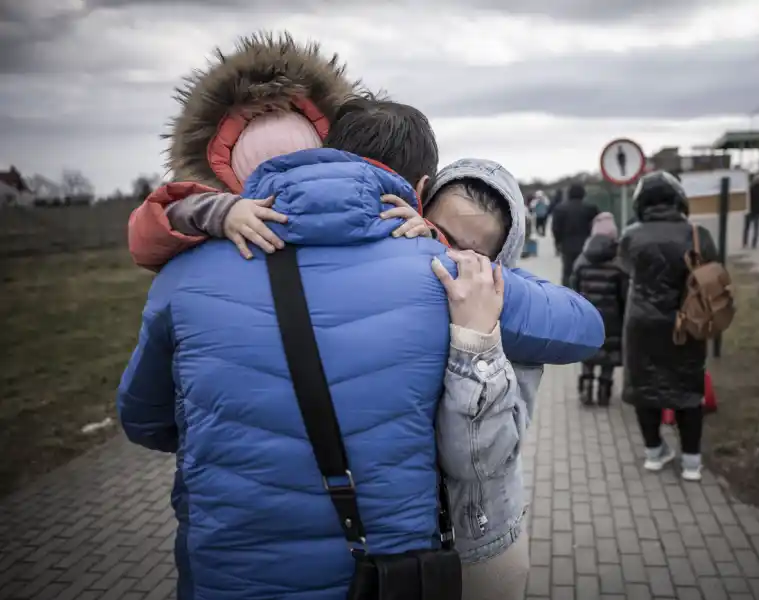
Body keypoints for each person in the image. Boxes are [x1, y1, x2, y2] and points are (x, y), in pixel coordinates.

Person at [119, 34, 604, 600]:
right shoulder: (443, 272)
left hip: (229, 578)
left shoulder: (186, 272)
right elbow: (583, 328)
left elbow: (144, 421)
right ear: (420, 192)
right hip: (381, 578)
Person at [619, 171, 718, 482]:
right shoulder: (697, 233)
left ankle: (653, 452)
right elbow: (714, 273)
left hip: (642, 323)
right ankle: (691, 461)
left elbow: (625, 272)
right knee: (688, 389)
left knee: (644, 386)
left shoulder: (630, 235)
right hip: (686, 323)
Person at [571, 212, 628, 406]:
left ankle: (586, 387)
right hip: (612, 318)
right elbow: (624, 295)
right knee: (609, 354)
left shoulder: (582, 260)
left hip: (587, 317)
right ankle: (604, 391)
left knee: (588, 352)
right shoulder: (619, 264)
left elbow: (574, 289)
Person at [552, 183, 599, 288]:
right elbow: (596, 226)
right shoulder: (590, 208)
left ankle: (567, 294)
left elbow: (556, 229)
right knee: (585, 270)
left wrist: (558, 243)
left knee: (567, 271)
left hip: (567, 245)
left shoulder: (560, 209)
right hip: (586, 245)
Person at [743, 174, 759, 249]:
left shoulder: (750, 189)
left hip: (749, 210)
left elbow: (746, 199)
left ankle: (745, 243)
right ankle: (754, 244)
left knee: (746, 228)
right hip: (758, 211)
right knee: (756, 228)